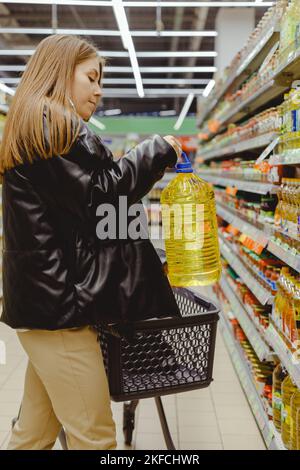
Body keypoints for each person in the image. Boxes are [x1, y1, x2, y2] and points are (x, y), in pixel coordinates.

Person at [0, 35, 182, 450]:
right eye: (92, 77)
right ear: (61, 72)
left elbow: (82, 211)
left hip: (50, 304)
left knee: (32, 436)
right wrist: (156, 151)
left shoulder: (40, 124)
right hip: (59, 308)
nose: (99, 90)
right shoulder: (50, 124)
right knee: (95, 438)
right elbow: (103, 194)